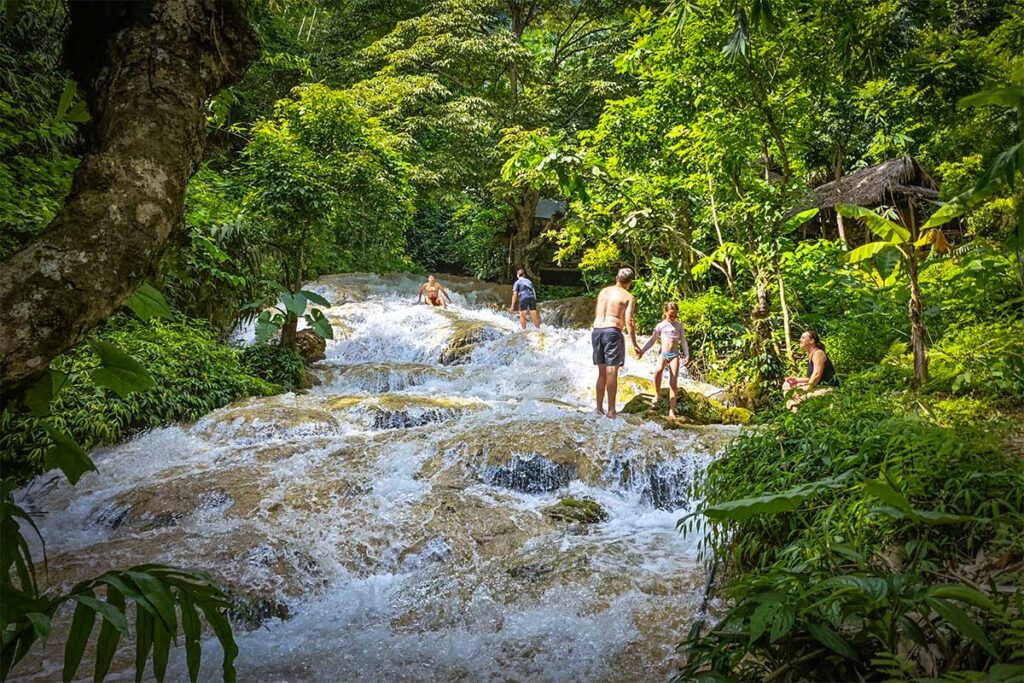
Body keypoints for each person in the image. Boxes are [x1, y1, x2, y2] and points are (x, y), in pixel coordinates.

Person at [592, 267, 639, 418]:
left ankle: (599, 408)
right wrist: (634, 343)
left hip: (597, 330)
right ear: (630, 282)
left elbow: (597, 312)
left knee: (602, 373)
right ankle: (611, 410)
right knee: (612, 371)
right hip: (612, 331)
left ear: (616, 278)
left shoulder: (603, 292)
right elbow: (629, 321)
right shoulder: (628, 297)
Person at [637, 302, 689, 418]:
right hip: (663, 354)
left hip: (674, 355)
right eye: (671, 315)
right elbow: (652, 340)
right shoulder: (661, 325)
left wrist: (687, 355)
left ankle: (672, 410)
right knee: (658, 371)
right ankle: (657, 394)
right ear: (665, 313)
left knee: (673, 381)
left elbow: (683, 341)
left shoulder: (679, 326)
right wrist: (642, 351)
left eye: (675, 315)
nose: (673, 317)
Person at [782, 330, 839, 412]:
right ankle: (795, 411)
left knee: (796, 397)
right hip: (817, 386)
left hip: (828, 388)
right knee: (787, 385)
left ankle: (796, 414)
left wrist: (805, 390)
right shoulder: (811, 355)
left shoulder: (818, 353)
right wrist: (796, 380)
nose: (800, 340)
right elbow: (811, 378)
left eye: (803, 338)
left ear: (812, 341)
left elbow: (816, 375)